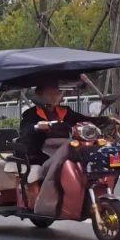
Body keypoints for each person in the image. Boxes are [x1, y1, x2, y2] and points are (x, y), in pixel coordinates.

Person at [19, 79, 92, 217]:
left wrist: (107, 120)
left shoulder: (65, 112)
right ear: (39, 94)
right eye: (50, 93)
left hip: (63, 152)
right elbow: (25, 131)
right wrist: (37, 127)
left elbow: (84, 120)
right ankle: (46, 202)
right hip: (38, 155)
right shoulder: (31, 114)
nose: (54, 96)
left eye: (57, 93)